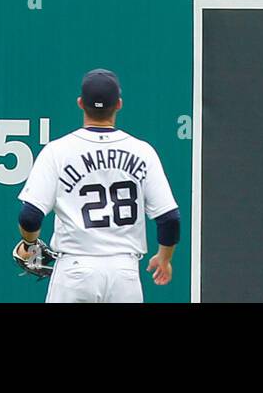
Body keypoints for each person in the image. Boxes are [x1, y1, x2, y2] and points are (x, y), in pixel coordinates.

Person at [16, 69, 181, 304]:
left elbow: (30, 217)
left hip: (75, 270)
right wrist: (164, 258)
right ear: (119, 105)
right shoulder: (142, 152)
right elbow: (170, 219)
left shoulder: (58, 151)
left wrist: (30, 246)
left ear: (80, 103)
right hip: (125, 275)